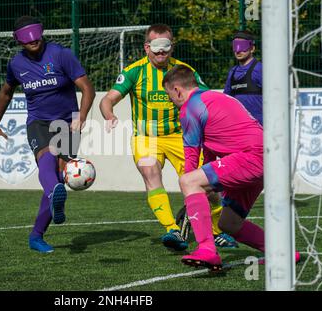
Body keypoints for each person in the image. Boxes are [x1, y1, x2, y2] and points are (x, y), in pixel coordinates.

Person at [99, 24, 236, 251]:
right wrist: (109, 114)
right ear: (146, 47)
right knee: (149, 170)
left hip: (179, 137)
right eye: (156, 47)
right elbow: (108, 99)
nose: (161, 52)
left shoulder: (184, 71)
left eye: (166, 46)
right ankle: (172, 229)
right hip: (146, 138)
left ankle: (217, 231)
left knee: (208, 186)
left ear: (172, 47)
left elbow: (205, 97)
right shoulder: (135, 71)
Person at [162, 65, 299, 270]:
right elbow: (208, 155)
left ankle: (207, 249)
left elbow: (191, 159)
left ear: (177, 90)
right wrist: (199, 195)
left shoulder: (189, 108)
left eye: (168, 95)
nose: (170, 100)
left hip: (252, 156)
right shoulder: (216, 98)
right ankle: (283, 252)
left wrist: (190, 194)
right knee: (229, 223)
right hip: (270, 158)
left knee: (187, 181)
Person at [0, 16, 95, 253]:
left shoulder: (61, 55)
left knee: (56, 177)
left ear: (42, 33)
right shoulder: (16, 64)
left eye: (36, 36)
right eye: (27, 38)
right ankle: (55, 195)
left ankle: (36, 235)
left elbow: (87, 88)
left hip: (67, 123)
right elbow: (6, 93)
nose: (33, 41)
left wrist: (82, 116)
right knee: (46, 159)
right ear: (18, 40)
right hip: (38, 122)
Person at [224, 30, 263, 125]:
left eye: (242, 46)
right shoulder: (232, 72)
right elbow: (226, 99)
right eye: (235, 46)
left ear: (252, 48)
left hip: (259, 127)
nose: (238, 50)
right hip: (239, 128)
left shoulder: (260, 69)